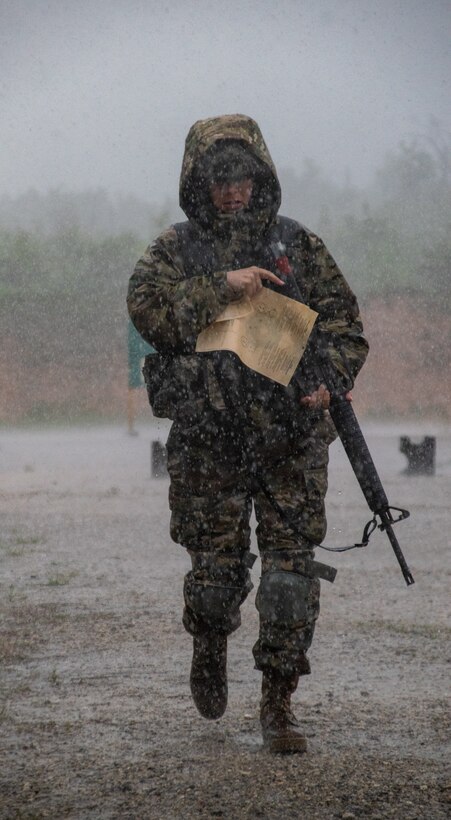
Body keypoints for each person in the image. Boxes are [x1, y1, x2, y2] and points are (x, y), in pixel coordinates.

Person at [127, 114, 368, 754]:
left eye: (241, 178)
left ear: (260, 179)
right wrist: (219, 288)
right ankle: (210, 644)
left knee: (291, 576)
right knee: (214, 575)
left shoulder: (298, 246)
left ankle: (279, 705)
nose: (231, 192)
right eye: (218, 180)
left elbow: (347, 328)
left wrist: (330, 381)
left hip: (291, 440)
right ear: (197, 184)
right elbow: (147, 310)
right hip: (209, 442)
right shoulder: (175, 251)